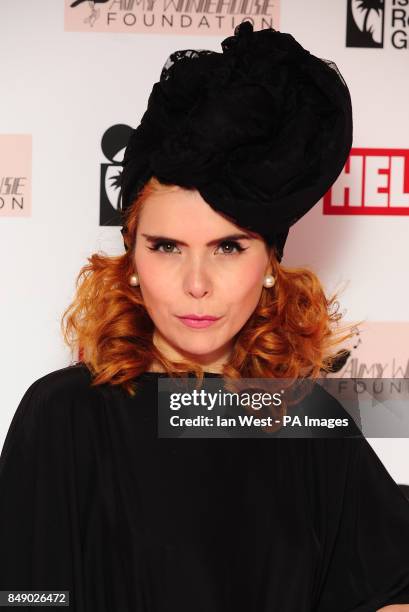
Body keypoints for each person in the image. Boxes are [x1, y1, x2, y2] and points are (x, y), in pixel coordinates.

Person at [1, 21, 409, 612]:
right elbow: (25, 597)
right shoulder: (65, 415)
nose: (196, 285)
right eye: (166, 247)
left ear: (270, 262)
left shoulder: (306, 424)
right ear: (133, 260)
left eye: (228, 247)